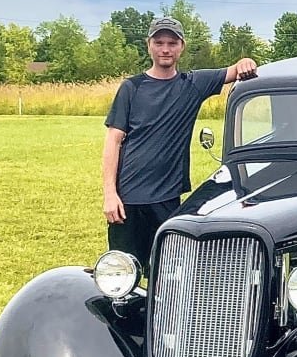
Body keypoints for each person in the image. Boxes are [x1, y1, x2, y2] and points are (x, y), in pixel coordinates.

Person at [102, 16, 257, 274]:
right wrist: (110, 194)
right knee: (121, 274)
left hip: (167, 200)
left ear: (181, 46)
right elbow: (113, 140)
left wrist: (245, 62)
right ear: (148, 45)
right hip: (127, 201)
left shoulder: (193, 85)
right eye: (159, 42)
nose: (165, 49)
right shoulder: (131, 88)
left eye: (172, 43)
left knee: (171, 274)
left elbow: (235, 70)